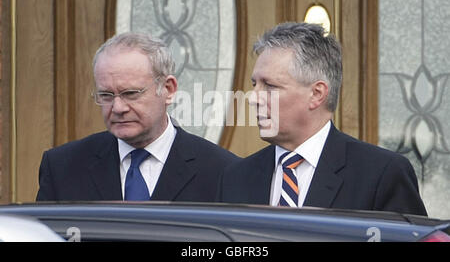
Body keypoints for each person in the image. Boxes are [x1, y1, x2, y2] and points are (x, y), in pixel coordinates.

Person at [217, 22, 427, 216]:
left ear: (317, 94)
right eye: (255, 84)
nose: (253, 98)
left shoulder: (381, 174)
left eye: (270, 86)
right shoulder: (236, 177)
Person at [36, 33, 240, 202]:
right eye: (106, 95)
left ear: (168, 90)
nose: (117, 107)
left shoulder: (223, 172)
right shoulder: (62, 167)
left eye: (130, 93)